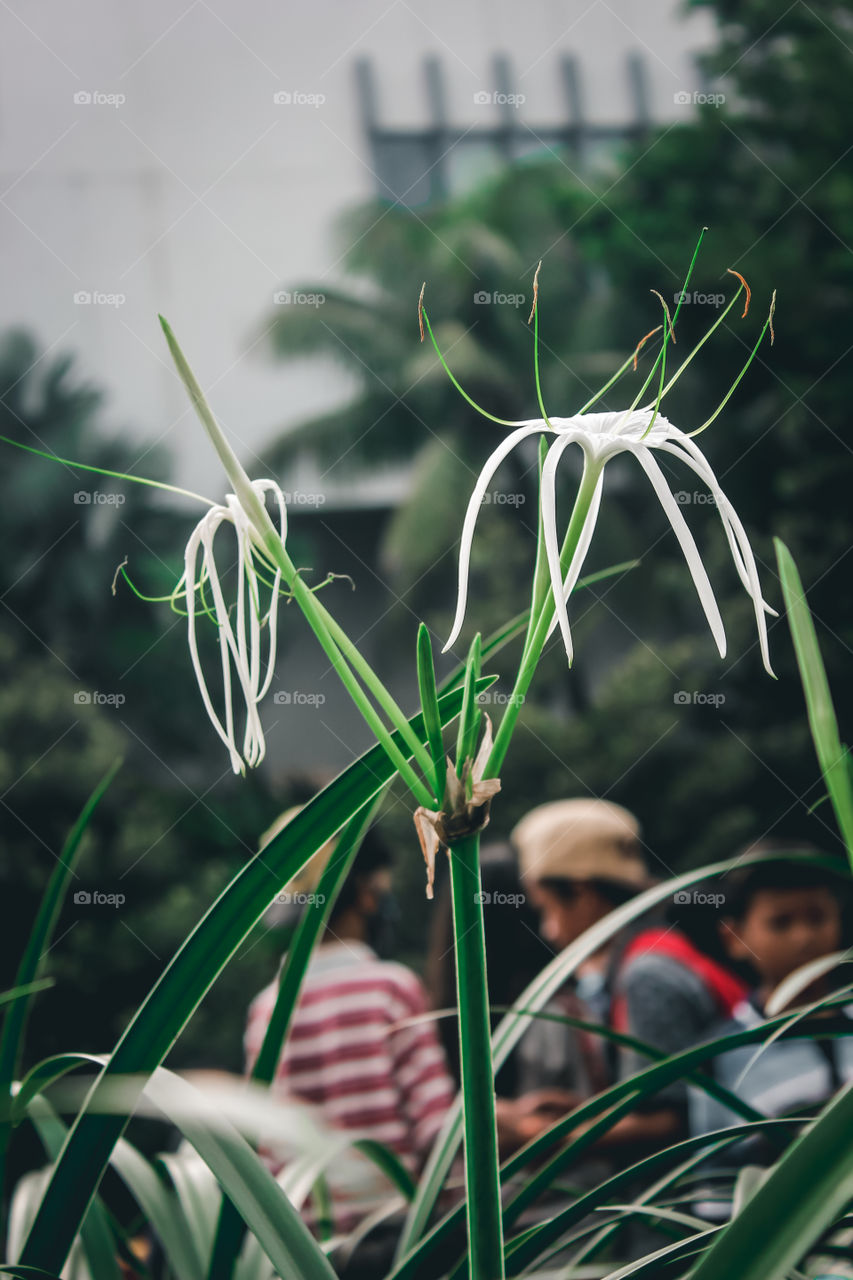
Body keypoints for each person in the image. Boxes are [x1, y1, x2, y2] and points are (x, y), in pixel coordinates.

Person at [244, 815, 455, 1269]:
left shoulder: (265, 1009)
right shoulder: (391, 989)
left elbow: (265, 1144)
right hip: (399, 1241)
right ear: (365, 894)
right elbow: (436, 1127)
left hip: (309, 1250)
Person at [690, 857, 853, 1164]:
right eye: (781, 922)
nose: (804, 937)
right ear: (734, 938)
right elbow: (715, 1185)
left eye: (818, 918)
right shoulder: (718, 1058)